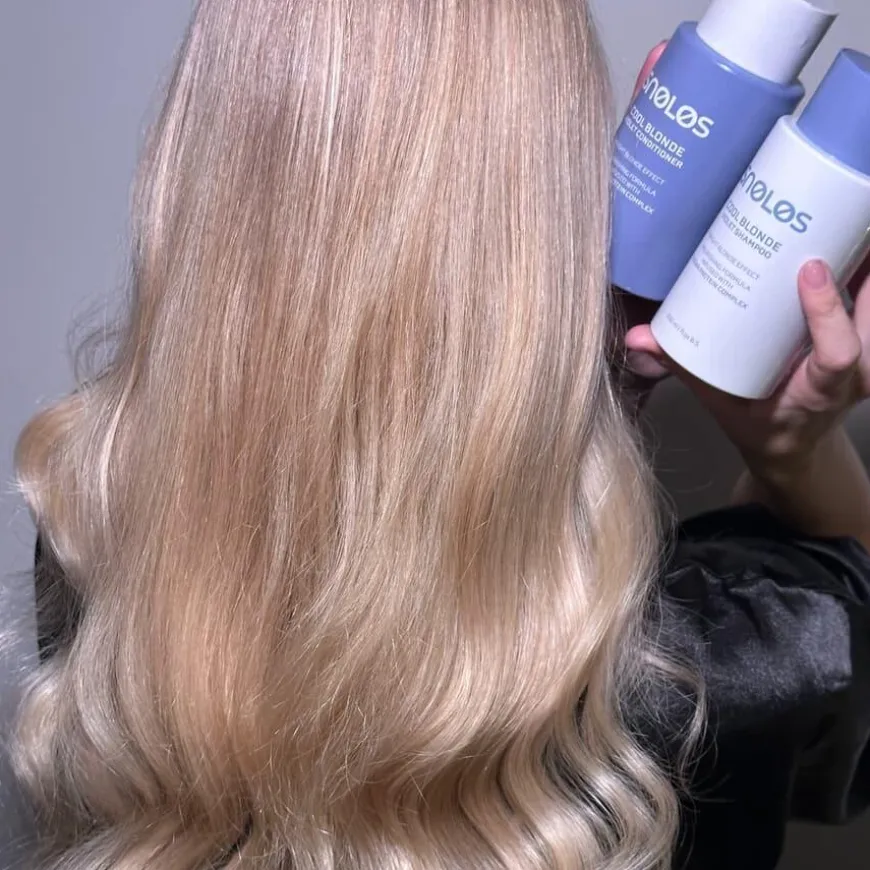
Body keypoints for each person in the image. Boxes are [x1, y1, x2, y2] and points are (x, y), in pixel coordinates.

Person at [10, 2, 870, 869]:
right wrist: (787, 441)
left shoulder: (95, 539)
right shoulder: (722, 669)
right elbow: (844, 641)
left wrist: (562, 372)